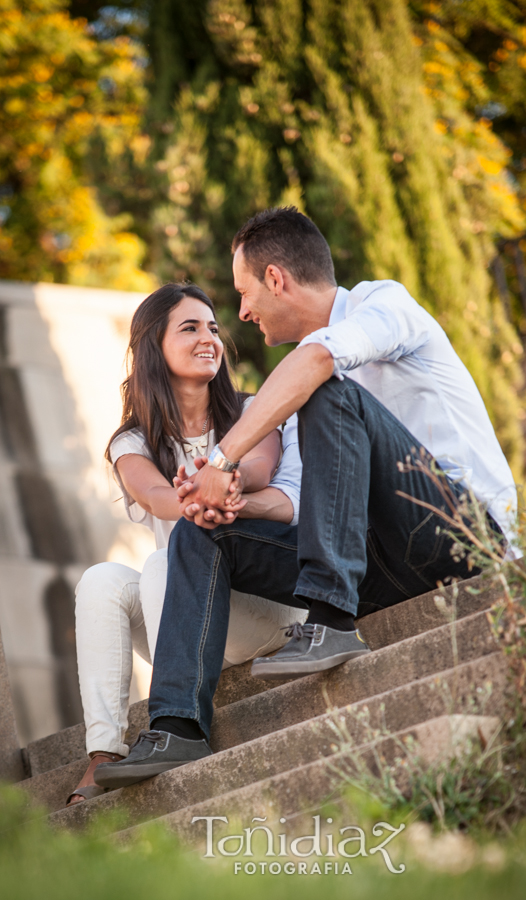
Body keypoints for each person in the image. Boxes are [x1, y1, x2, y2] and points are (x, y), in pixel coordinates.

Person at [95, 207, 516, 790]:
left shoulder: (383, 304)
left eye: (243, 294)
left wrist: (221, 461)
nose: (239, 314)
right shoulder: (288, 387)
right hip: (374, 566)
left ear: (275, 279)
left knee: (324, 388)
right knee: (200, 530)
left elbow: (318, 363)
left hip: (461, 540)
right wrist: (220, 502)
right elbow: (294, 501)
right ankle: (177, 725)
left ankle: (330, 621)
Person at [67, 282, 305, 805]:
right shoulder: (134, 442)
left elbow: (260, 469)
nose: (210, 338)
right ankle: (104, 753)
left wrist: (222, 481)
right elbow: (155, 496)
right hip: (180, 622)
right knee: (102, 580)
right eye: (191, 327)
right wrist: (198, 495)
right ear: (155, 345)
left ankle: (177, 724)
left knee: (161, 566)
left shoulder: (252, 410)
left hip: (261, 611)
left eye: (214, 328)